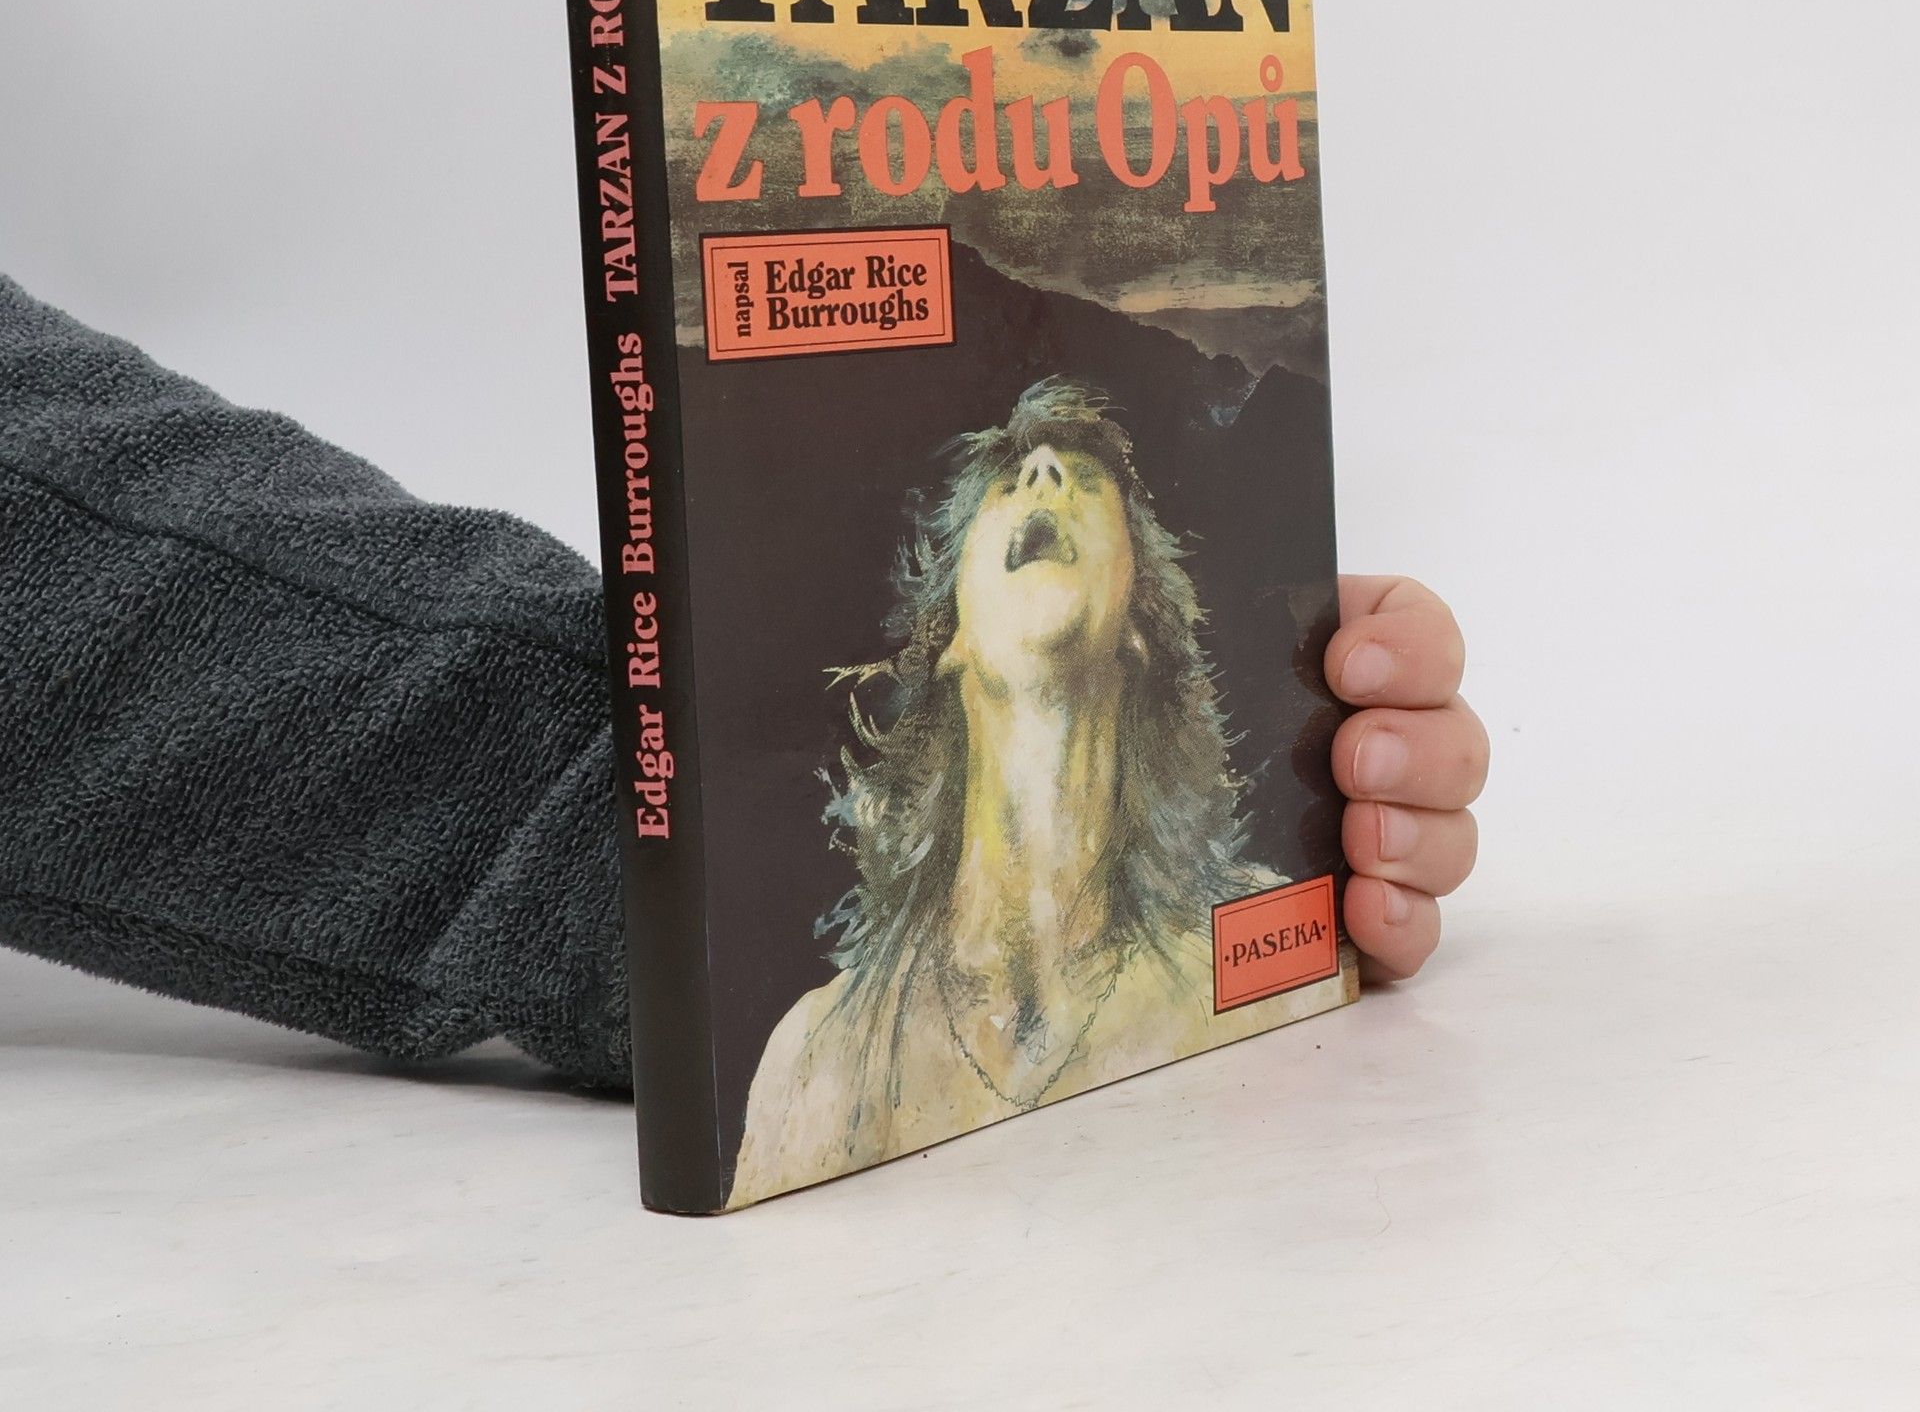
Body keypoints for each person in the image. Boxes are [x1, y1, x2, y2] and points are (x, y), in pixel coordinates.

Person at [0, 275, 1486, 1098]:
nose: (1040, 478)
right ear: (938, 638)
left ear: (1156, 625)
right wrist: (646, 846)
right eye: (1013, 474)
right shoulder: (819, 1056)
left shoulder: (1229, 914)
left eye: (1081, 477)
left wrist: (1307, 797)